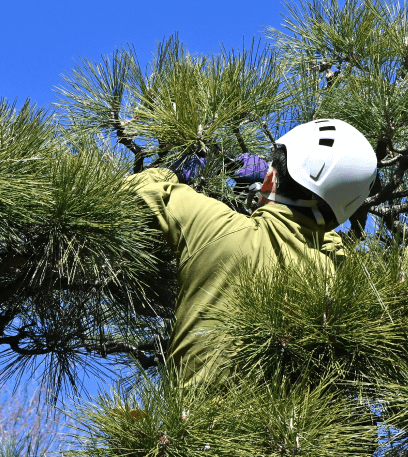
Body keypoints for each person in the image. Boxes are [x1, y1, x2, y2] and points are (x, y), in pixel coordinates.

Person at [128, 119, 377, 385]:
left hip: (191, 422)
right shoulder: (340, 280)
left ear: (271, 177)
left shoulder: (219, 230)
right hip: (287, 425)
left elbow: (137, 190)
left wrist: (175, 172)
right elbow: (329, 241)